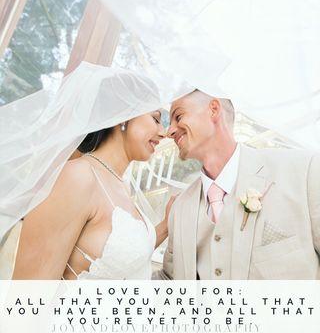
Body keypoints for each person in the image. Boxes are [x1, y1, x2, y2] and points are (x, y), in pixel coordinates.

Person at [157, 89, 320, 279]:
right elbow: (170, 283)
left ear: (214, 109)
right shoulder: (179, 209)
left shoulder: (303, 170)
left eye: (178, 116)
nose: (170, 131)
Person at [13, 110, 175, 280]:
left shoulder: (121, 185)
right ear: (124, 114)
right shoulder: (76, 177)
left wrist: (166, 226)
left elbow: (124, 258)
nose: (163, 132)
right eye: (156, 119)